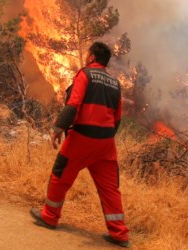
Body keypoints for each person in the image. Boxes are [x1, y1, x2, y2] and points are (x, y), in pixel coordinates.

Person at [30, 42, 130, 248]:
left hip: (82, 138)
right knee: (110, 188)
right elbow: (118, 118)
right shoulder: (115, 83)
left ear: (92, 57)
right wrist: (105, 138)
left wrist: (58, 128)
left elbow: (73, 105)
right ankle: (119, 233)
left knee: (60, 173)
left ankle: (49, 216)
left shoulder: (85, 74)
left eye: (88, 55)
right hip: (106, 143)